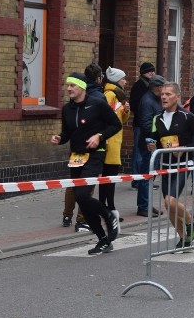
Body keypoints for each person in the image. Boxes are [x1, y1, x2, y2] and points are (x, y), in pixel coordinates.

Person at [51, 71, 121, 255]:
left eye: (72, 85)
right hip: (76, 157)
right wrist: (59, 138)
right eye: (67, 86)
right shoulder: (67, 109)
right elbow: (67, 133)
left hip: (95, 155)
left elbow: (115, 125)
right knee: (82, 199)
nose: (68, 89)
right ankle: (103, 240)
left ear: (81, 87)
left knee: (82, 195)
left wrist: (99, 136)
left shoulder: (98, 104)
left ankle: (107, 215)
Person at [146, 82, 194, 249]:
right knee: (168, 206)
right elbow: (155, 139)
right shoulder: (157, 118)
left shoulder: (187, 117)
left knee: (170, 201)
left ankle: (191, 220)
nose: (164, 97)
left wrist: (184, 148)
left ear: (178, 97)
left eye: (168, 94)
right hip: (166, 164)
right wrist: (152, 145)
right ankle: (184, 238)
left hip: (183, 163)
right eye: (162, 94)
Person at [100, 67, 130, 219]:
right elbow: (107, 119)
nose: (125, 81)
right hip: (110, 141)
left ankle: (108, 207)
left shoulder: (118, 96)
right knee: (109, 177)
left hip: (115, 140)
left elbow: (120, 120)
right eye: (123, 78)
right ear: (117, 80)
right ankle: (108, 209)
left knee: (110, 177)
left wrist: (125, 111)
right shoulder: (110, 95)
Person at [136, 74, 166, 216]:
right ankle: (143, 206)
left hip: (154, 141)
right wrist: (161, 131)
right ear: (158, 88)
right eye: (163, 88)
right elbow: (146, 123)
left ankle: (147, 204)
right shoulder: (148, 101)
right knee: (147, 174)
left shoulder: (155, 99)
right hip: (149, 142)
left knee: (151, 174)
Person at [129, 62, 155, 189]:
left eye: (153, 71)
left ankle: (144, 180)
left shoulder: (149, 86)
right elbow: (134, 105)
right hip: (140, 124)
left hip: (147, 124)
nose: (152, 73)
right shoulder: (139, 86)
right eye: (150, 71)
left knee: (146, 154)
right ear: (143, 72)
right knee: (139, 153)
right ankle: (137, 180)